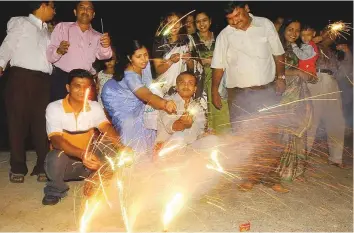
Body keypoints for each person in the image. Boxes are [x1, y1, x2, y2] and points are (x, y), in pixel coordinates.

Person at [210, 1, 287, 192]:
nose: (235, 22)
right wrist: (214, 91)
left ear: (247, 8)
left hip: (265, 90)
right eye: (230, 19)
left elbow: (278, 54)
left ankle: (271, 177)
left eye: (238, 16)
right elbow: (218, 66)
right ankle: (249, 176)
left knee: (269, 133)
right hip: (238, 93)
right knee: (244, 135)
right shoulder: (224, 35)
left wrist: (281, 77)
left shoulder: (265, 25)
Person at [42, 69, 128, 205]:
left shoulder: (94, 107)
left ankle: (97, 178)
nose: (82, 91)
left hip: (90, 163)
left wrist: (121, 146)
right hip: (67, 165)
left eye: (87, 87)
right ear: (68, 87)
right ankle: (55, 189)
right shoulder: (54, 108)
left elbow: (106, 127)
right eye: (77, 86)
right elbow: (56, 140)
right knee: (55, 157)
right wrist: (82, 154)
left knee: (110, 144)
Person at [0, 1, 55, 183]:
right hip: (21, 78)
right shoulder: (21, 22)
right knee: (17, 122)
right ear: (43, 6)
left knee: (41, 123)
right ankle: (18, 166)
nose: (54, 11)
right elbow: (8, 45)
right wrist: (0, 64)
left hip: (43, 81)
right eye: (52, 6)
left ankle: (42, 165)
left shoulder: (48, 30)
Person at [101, 40, 177, 156]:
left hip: (137, 98)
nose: (144, 59)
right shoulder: (130, 76)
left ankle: (147, 161)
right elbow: (147, 95)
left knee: (147, 122)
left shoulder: (144, 66)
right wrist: (165, 104)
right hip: (116, 97)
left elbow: (147, 88)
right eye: (139, 56)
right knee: (131, 126)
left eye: (146, 55)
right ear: (130, 58)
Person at [47, 1, 112, 102]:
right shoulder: (62, 27)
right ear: (75, 12)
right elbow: (50, 56)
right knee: (59, 113)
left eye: (89, 8)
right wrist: (58, 51)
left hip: (86, 80)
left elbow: (104, 55)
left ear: (93, 14)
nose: (85, 10)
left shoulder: (98, 36)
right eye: (82, 7)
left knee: (86, 114)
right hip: (62, 80)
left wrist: (106, 45)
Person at [276, 19, 315, 181]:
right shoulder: (277, 48)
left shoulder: (301, 49)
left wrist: (312, 77)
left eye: (297, 31)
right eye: (290, 29)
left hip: (301, 95)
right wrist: (297, 73)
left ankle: (297, 170)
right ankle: (280, 170)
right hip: (284, 94)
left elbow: (309, 70)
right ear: (284, 30)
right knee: (284, 130)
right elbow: (274, 70)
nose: (293, 33)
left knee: (300, 131)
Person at [306, 29, 351, 169]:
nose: (332, 36)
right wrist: (320, 37)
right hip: (315, 80)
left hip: (332, 82)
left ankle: (336, 158)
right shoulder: (312, 45)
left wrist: (347, 53)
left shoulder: (332, 52)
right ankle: (302, 156)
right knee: (311, 120)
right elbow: (305, 49)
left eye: (334, 35)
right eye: (329, 33)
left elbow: (344, 72)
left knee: (337, 121)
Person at [190, 10, 230, 134]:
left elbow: (228, 56)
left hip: (220, 79)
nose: (202, 24)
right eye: (198, 21)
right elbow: (190, 61)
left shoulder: (219, 36)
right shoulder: (191, 39)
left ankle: (224, 139)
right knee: (203, 112)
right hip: (201, 82)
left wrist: (211, 60)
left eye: (204, 20)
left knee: (222, 109)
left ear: (210, 21)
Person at [155, 72, 206, 151]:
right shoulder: (168, 103)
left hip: (189, 151)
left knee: (212, 140)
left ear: (195, 89)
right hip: (167, 151)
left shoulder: (197, 107)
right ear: (177, 87)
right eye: (182, 83)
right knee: (179, 136)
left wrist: (206, 134)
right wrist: (182, 123)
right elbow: (172, 127)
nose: (186, 86)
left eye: (190, 83)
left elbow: (199, 131)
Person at [152, 12, 194, 95]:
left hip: (182, 87)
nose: (174, 26)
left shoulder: (186, 40)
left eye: (177, 22)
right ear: (165, 24)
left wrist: (189, 60)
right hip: (163, 88)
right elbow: (158, 70)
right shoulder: (159, 42)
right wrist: (170, 61)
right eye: (170, 23)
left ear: (181, 23)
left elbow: (192, 69)